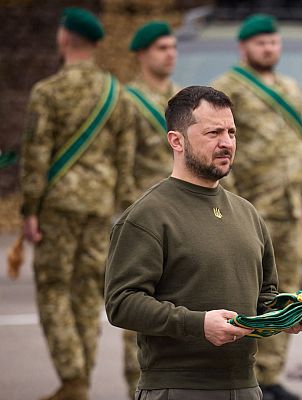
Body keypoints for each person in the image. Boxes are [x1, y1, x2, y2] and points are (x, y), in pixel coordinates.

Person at [105, 86, 302, 400]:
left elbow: (264, 298)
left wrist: (289, 314)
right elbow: (121, 303)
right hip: (177, 388)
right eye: (213, 132)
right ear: (176, 140)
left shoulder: (247, 213)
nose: (227, 142)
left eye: (231, 132)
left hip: (246, 387)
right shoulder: (147, 215)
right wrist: (198, 324)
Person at [19, 8, 136, 400]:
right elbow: (126, 155)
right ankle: (80, 376)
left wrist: (29, 210)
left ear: (64, 39)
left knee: (53, 289)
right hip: (101, 207)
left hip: (58, 206)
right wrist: (120, 206)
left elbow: (36, 156)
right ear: (98, 44)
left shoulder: (48, 92)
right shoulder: (116, 92)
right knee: (88, 294)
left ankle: (73, 379)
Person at [211, 14, 302, 400]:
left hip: (290, 211)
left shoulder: (292, 88)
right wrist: (228, 204)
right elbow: (217, 150)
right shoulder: (228, 90)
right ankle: (245, 376)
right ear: (244, 47)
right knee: (243, 295)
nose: (269, 49)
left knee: (284, 295)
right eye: (261, 43)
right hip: (249, 210)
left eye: (273, 42)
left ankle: (272, 376)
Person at [121, 20, 181, 399]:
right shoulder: (128, 101)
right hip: (146, 218)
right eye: (161, 48)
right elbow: (121, 162)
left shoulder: (186, 98)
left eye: (174, 47)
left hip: (187, 214)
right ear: (142, 54)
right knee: (142, 309)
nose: (171, 54)